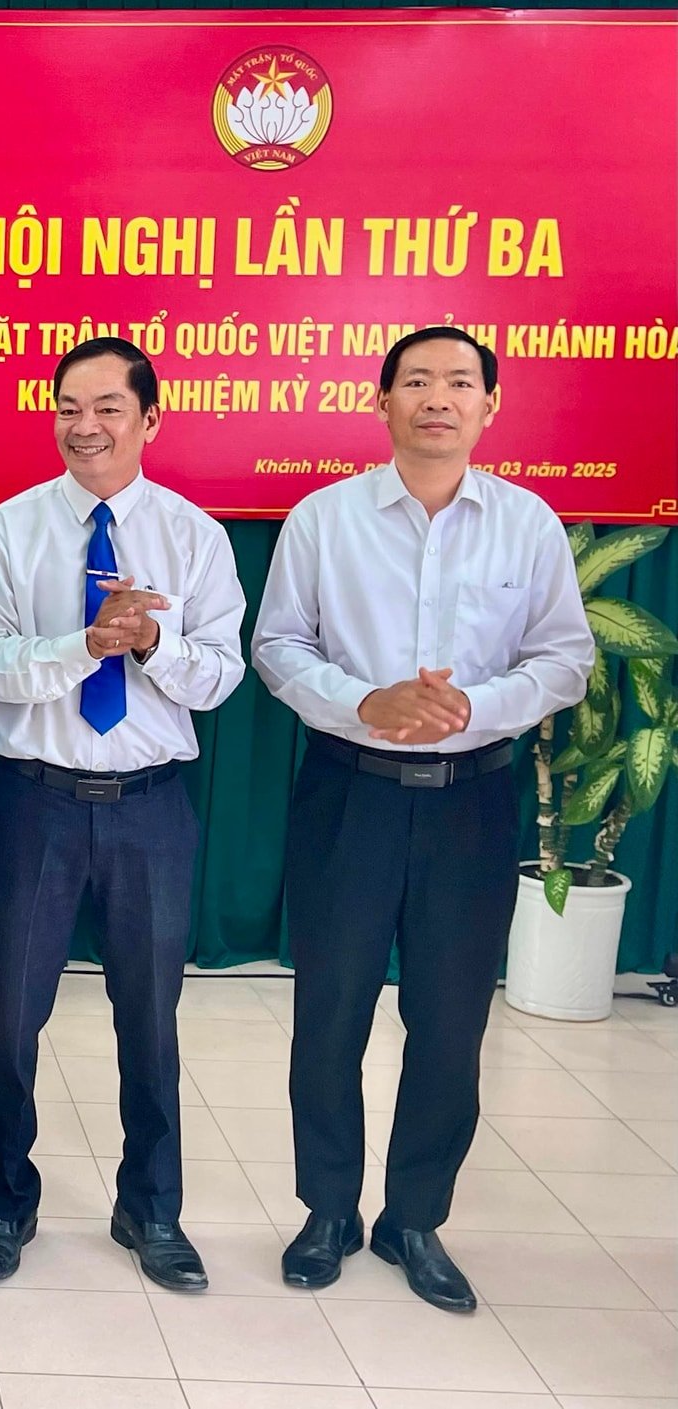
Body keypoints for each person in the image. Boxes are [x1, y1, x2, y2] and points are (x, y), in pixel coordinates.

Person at [252, 327, 592, 1310]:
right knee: (330, 1014)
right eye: (415, 381)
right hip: (348, 793)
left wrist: (463, 708)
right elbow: (277, 645)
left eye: (458, 383)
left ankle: (416, 1218)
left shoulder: (527, 524)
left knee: (450, 1021)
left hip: (475, 801)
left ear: (491, 404)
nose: (437, 398)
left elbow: (563, 657)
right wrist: (368, 701)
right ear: (383, 400)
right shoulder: (325, 518)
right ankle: (327, 1208)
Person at [0, 338, 245, 1289]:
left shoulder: (196, 537)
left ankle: (151, 1207)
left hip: (149, 811)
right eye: (70, 407)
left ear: (150, 421)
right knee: (10, 1015)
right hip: (34, 803)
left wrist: (152, 640)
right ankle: (7, 1201)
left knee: (149, 1018)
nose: (87, 426)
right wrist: (86, 643)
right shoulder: (8, 529)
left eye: (110, 407)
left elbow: (221, 679)